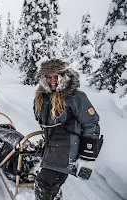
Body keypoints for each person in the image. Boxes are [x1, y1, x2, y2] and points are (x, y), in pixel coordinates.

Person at [33, 59, 103, 200]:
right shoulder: (43, 97)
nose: (53, 80)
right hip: (52, 148)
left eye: (56, 76)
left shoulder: (76, 97)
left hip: (66, 152)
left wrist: (87, 157)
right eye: (49, 77)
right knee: (52, 188)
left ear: (64, 77)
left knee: (43, 185)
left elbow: (91, 123)